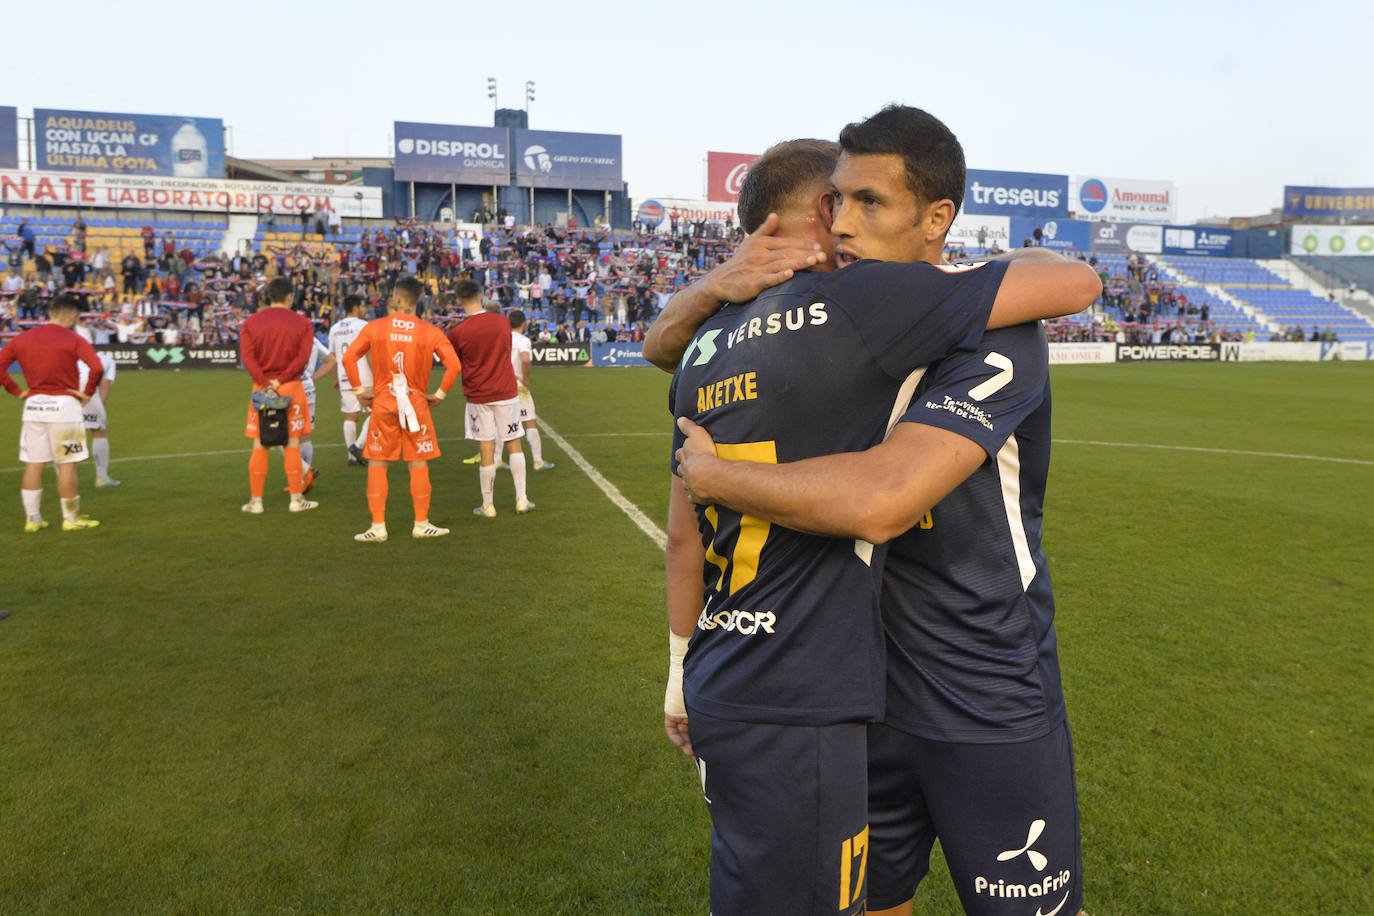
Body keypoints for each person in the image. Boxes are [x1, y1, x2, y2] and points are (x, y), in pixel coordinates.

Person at [652, 123, 1099, 916]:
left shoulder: (995, 328)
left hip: (986, 681)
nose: (843, 224)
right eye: (835, 203)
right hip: (865, 691)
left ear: (935, 217)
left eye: (866, 202)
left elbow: (883, 500)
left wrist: (717, 475)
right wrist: (714, 286)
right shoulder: (831, 325)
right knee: (873, 901)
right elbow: (669, 347)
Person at [341, 275, 461, 542]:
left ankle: (378, 527)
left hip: (384, 402)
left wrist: (360, 391)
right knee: (418, 464)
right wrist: (440, 394)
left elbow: (349, 357)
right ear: (419, 301)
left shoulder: (376, 327)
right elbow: (454, 366)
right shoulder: (430, 331)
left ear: (397, 298)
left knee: (377, 464)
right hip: (416, 404)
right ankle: (421, 523)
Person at [0, 293, 104, 531]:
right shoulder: (73, 338)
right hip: (64, 407)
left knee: (33, 465)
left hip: (34, 406)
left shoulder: (22, 338)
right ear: (72, 316)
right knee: (67, 465)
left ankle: (32, 520)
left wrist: (16, 391)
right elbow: (96, 367)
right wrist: (87, 392)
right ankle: (71, 519)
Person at [445, 279, 533, 517]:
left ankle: (488, 505)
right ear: (481, 295)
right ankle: (521, 499)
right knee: (515, 443)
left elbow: (453, 360)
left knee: (486, 449)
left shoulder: (458, 332)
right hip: (506, 391)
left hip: (478, 395)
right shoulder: (502, 322)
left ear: (459, 301)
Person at [239, 277, 318, 515]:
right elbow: (302, 358)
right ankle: (296, 500)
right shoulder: (302, 323)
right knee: (292, 443)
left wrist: (265, 383)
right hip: (291, 387)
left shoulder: (251, 322)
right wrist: (281, 380)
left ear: (267, 296)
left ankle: (256, 502)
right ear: (289, 296)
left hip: (262, 390)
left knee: (260, 444)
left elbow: (248, 358)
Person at [498, 310, 554, 471]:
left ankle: (496, 460)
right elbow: (526, 359)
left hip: (501, 384)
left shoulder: (502, 338)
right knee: (529, 421)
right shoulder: (523, 340)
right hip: (517, 384)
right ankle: (538, 461)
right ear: (524, 324)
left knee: (500, 422)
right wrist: (526, 378)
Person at [73, 321, 120, 488]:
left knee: (67, 434)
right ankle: (102, 477)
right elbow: (104, 388)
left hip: (67, 392)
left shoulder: (70, 357)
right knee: (99, 430)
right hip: (88, 390)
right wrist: (100, 411)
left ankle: (64, 480)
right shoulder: (106, 359)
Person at [328, 295, 373, 466]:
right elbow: (369, 352)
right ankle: (358, 446)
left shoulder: (334, 328)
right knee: (375, 413)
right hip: (363, 375)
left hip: (344, 375)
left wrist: (335, 379)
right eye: (362, 306)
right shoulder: (364, 325)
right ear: (355, 307)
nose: (364, 309)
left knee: (350, 415)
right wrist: (377, 375)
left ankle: (352, 457)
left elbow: (332, 357)